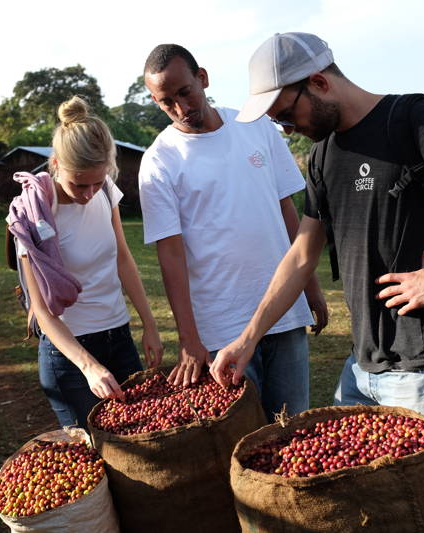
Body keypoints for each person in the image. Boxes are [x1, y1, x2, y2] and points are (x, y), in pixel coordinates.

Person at [210, 32, 424, 465]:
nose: (288, 129)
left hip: (421, 366)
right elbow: (301, 254)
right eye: (278, 123)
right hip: (361, 367)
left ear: (319, 82)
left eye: (287, 114)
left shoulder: (411, 120)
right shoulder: (322, 154)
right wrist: (247, 338)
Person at [138, 44, 328, 419]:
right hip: (221, 325)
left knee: (293, 426)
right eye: (165, 102)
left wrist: (311, 288)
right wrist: (189, 339)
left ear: (202, 78)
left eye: (184, 92)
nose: (180, 108)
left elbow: (286, 210)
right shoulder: (159, 162)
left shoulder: (254, 125)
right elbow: (170, 255)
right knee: (240, 437)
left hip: (283, 310)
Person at [7, 96, 163, 429]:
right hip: (69, 354)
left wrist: (148, 325)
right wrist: (88, 365)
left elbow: (123, 258)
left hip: (119, 338)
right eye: (80, 183)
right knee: (94, 453)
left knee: (142, 436)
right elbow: (44, 313)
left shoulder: (106, 190)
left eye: (97, 181)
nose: (90, 192)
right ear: (56, 164)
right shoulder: (33, 213)